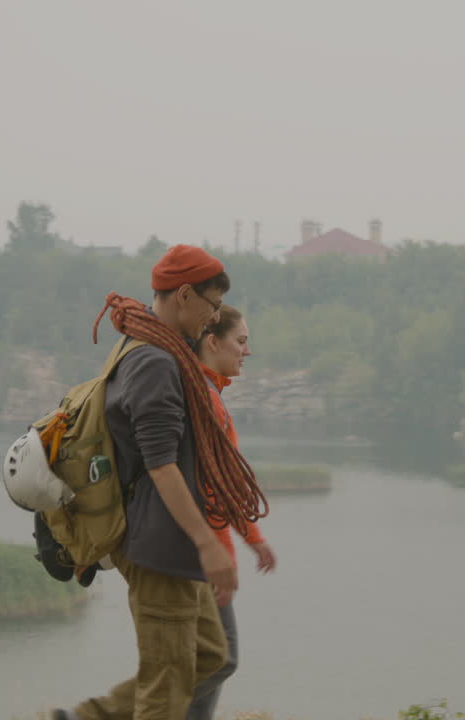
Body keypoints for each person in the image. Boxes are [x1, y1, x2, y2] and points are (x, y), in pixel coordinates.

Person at [53, 244, 261, 720]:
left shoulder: (156, 345)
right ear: (184, 295)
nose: (214, 319)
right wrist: (209, 547)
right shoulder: (155, 363)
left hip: (172, 542)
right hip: (158, 543)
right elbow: (162, 465)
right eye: (211, 306)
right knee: (165, 690)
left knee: (210, 656)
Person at [186, 305, 278, 720]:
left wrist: (254, 540)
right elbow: (212, 493)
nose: (248, 351)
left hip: (191, 554)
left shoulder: (205, 394)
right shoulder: (205, 401)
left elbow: (225, 485)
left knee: (208, 660)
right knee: (220, 659)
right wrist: (223, 557)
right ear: (212, 342)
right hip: (198, 558)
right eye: (241, 341)